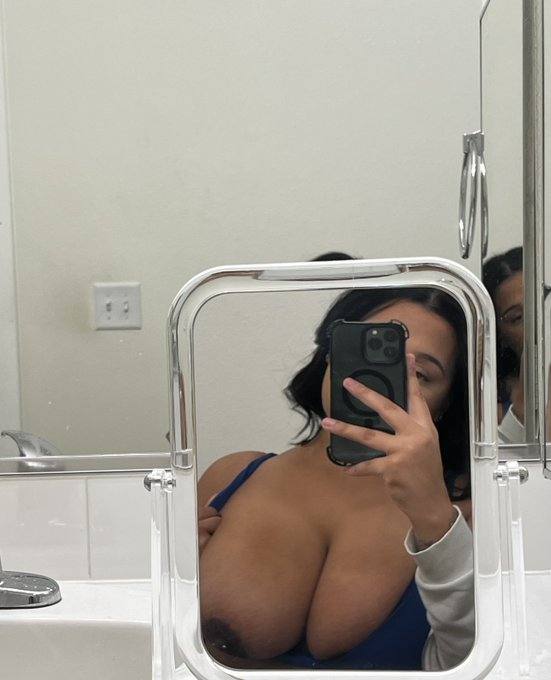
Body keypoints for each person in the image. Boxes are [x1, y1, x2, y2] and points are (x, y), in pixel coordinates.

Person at [197, 255, 474, 671]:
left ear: (446, 402)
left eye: (422, 375)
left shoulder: (465, 516)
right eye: (373, 356)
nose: (386, 385)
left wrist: (434, 518)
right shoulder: (230, 480)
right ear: (329, 356)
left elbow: (476, 664)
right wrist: (170, 581)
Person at [482, 247, 524, 435]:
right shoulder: (491, 407)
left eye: (545, 302)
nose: (537, 321)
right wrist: (518, 417)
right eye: (517, 317)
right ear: (501, 335)